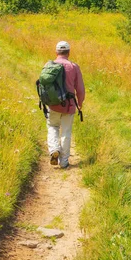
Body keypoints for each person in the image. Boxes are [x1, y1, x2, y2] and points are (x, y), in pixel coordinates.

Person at [46, 40, 85, 168]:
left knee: (53, 127)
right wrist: (80, 103)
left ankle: (54, 150)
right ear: (69, 52)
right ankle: (64, 162)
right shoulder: (74, 67)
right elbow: (80, 89)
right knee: (66, 132)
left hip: (52, 104)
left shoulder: (49, 65)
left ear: (56, 52)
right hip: (69, 105)